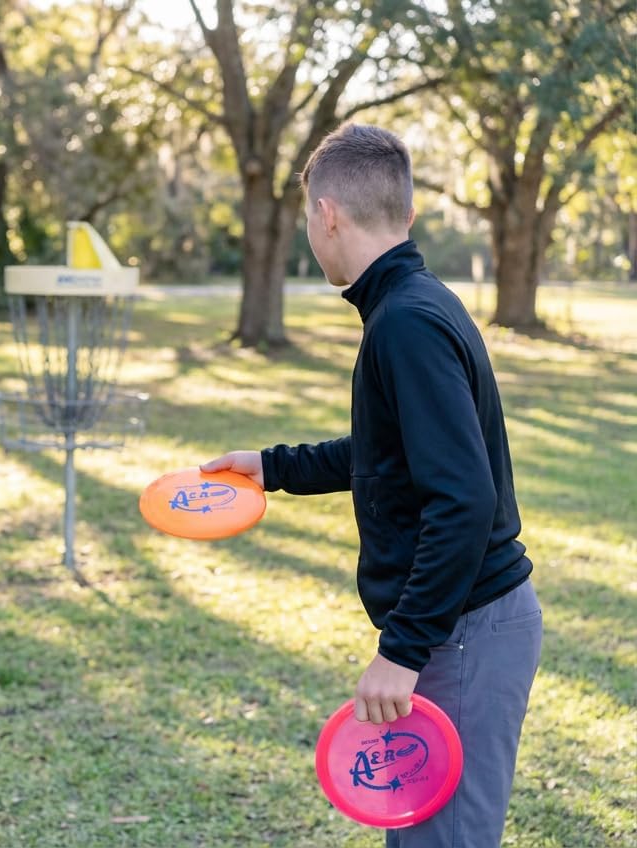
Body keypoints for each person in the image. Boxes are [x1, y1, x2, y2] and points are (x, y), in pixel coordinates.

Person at [203, 124, 541, 847]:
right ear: (407, 216)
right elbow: (397, 455)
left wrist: (403, 650)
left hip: (463, 631)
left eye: (308, 220)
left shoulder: (406, 324)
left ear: (327, 214)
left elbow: (464, 499)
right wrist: (277, 466)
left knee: (441, 840)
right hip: (461, 625)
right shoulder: (410, 306)